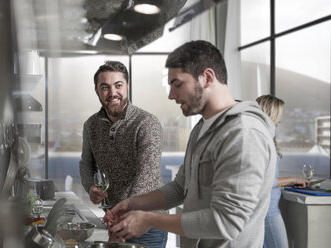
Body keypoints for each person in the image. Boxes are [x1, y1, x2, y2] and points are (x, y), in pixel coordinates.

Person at [104, 40, 277, 248]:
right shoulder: (202, 127)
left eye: (177, 84)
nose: (171, 95)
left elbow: (227, 222)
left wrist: (148, 220)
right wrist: (134, 203)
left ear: (207, 78)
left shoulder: (244, 133)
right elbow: (179, 189)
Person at [79, 61, 167, 248]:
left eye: (118, 85)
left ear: (127, 86)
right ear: (96, 91)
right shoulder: (91, 125)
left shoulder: (147, 123)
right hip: (115, 220)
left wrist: (121, 214)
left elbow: (147, 176)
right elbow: (86, 163)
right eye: (105, 87)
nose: (112, 93)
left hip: (148, 223)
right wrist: (90, 187)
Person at [256, 95, 309, 248]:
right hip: (267, 211)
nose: (280, 120)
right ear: (270, 114)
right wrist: (293, 180)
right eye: (279, 115)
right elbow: (261, 181)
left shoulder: (264, 137)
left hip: (266, 208)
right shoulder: (261, 140)